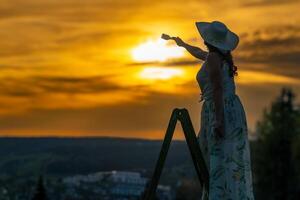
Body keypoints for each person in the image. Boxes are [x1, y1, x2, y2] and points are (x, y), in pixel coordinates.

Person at [172, 21, 255, 200]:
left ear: (208, 39)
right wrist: (183, 44)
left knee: (220, 154)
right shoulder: (219, 56)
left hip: (220, 109)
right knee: (228, 156)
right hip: (231, 108)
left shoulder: (214, 58)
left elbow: (217, 88)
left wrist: (218, 120)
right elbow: (199, 53)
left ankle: (220, 196)